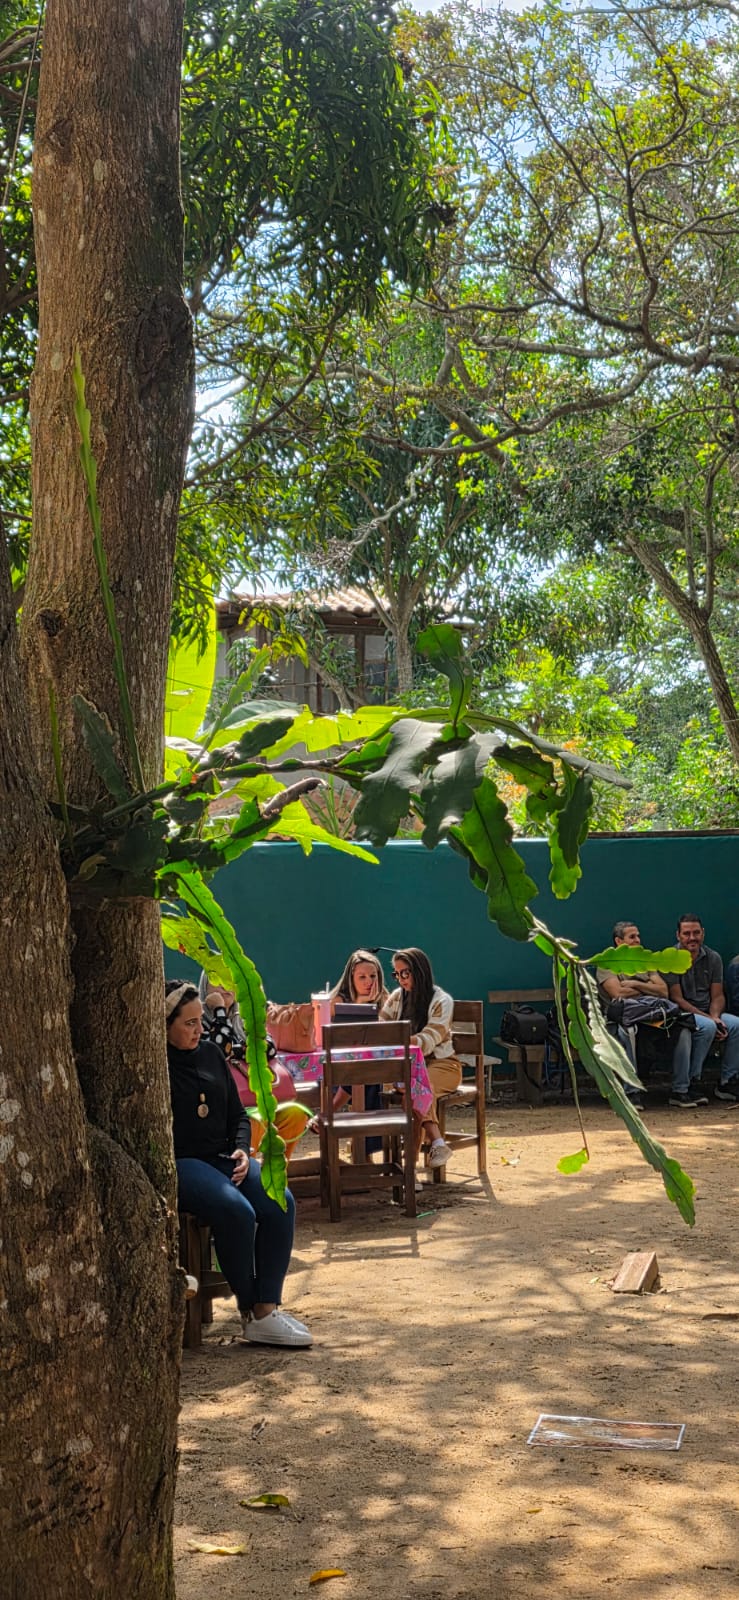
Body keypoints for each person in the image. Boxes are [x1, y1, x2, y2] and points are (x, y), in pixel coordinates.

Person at [165, 979, 312, 1348]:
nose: (199, 1030)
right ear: (164, 1025)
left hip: (224, 1157)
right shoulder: (157, 1064)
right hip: (184, 1162)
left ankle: (267, 1307)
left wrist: (244, 1150)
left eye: (200, 1021)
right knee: (238, 1212)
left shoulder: (211, 1054)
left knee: (280, 1199)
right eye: (189, 1023)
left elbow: (238, 1115)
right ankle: (250, 1309)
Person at [198, 973, 310, 1160]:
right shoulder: (197, 1020)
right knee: (253, 1123)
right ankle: (246, 1171)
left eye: (229, 981)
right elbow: (218, 1049)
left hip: (257, 1098)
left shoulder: (244, 1016)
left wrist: (236, 1050)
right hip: (224, 1108)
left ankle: (275, 1172)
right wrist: (219, 1010)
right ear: (204, 987)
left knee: (296, 1115)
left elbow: (269, 1047)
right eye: (217, 981)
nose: (224, 986)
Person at [595, 919, 688, 1112]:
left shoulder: (645, 962)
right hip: (619, 1020)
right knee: (627, 1031)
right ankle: (631, 1092)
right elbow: (618, 994)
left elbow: (663, 991)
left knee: (684, 1029)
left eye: (638, 936)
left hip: (652, 1017)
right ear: (619, 942)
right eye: (632, 937)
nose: (638, 940)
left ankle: (681, 1090)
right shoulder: (607, 964)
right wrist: (648, 988)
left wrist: (635, 984)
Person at [382, 948, 460, 1167]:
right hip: (407, 1067)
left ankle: (410, 1166)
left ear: (420, 971)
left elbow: (429, 1039)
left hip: (442, 1065)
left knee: (418, 1088)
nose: (401, 979)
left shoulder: (442, 1000)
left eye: (405, 973)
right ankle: (437, 1143)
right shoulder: (397, 997)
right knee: (411, 1087)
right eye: (396, 974)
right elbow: (381, 1026)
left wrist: (398, 1040)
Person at [664, 915, 739, 1104]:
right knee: (708, 1026)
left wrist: (715, 1016)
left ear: (703, 933)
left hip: (709, 1012)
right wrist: (710, 1020)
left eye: (696, 933)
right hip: (682, 1014)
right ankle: (692, 1081)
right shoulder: (670, 958)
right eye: (687, 933)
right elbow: (677, 998)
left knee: (736, 1025)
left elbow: (718, 995)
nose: (692, 938)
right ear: (678, 935)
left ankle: (727, 1082)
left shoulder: (713, 958)